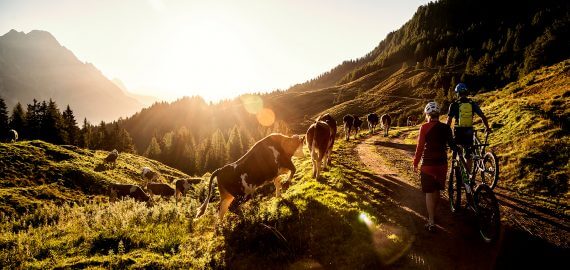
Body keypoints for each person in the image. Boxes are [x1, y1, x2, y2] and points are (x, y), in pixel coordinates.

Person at [413, 101, 456, 232]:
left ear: (427, 114)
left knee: (429, 192)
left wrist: (415, 162)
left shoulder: (424, 127)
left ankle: (431, 221)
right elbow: (452, 146)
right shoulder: (446, 128)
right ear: (438, 114)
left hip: (428, 165)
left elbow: (420, 148)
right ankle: (434, 214)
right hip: (442, 164)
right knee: (437, 190)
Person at [446, 83, 491, 172]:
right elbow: (482, 116)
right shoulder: (472, 103)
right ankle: (468, 176)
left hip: (458, 131)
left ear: (457, 93)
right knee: (468, 154)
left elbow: (449, 121)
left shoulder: (454, 105)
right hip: (469, 130)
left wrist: (446, 133)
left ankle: (460, 174)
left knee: (458, 152)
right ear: (466, 92)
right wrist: (487, 127)